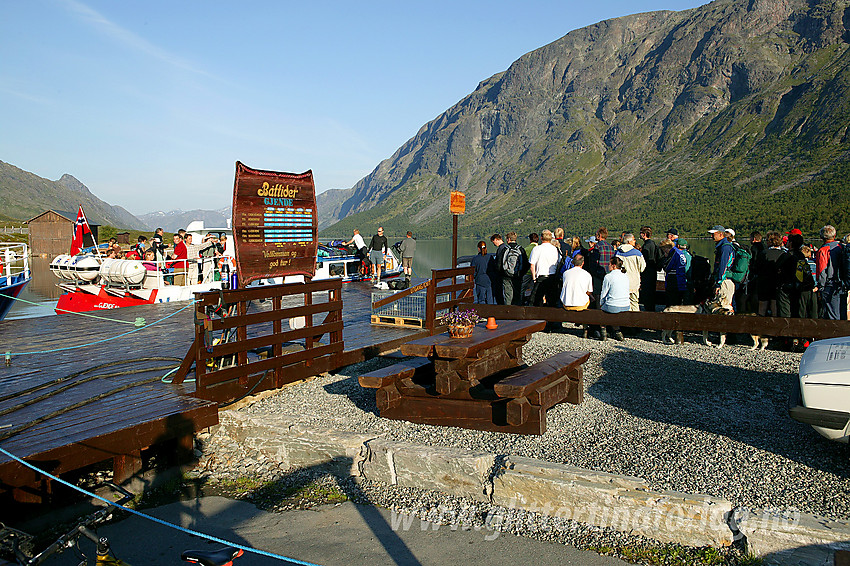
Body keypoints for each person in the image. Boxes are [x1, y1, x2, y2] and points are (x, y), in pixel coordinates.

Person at [816, 224, 846, 320]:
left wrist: (821, 287)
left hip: (829, 285)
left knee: (831, 314)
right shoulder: (842, 247)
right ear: (834, 235)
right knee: (842, 313)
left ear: (822, 237)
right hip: (842, 284)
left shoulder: (823, 250)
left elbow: (822, 270)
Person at [599, 256, 630, 341]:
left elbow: (603, 293)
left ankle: (603, 331)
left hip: (613, 306)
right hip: (626, 305)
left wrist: (601, 303)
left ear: (613, 266)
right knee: (611, 309)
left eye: (609, 264)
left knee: (602, 310)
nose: (608, 266)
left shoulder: (608, 276)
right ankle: (617, 331)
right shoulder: (625, 276)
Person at [528, 230, 560, 307]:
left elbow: (532, 265)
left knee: (535, 301)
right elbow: (558, 262)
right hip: (552, 277)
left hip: (540, 277)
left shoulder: (537, 249)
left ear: (541, 238)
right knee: (552, 301)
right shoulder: (555, 249)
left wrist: (534, 278)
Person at [614, 233, 645, 312]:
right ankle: (635, 321)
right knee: (634, 302)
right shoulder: (637, 253)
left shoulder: (617, 253)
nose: (635, 241)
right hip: (634, 282)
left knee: (622, 303)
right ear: (629, 241)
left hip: (621, 282)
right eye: (633, 239)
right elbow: (642, 268)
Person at [708, 225, 736, 311]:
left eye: (714, 234)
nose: (712, 236)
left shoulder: (725, 247)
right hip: (723, 280)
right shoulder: (723, 246)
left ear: (721, 234)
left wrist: (718, 283)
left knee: (724, 307)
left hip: (724, 281)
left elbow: (723, 266)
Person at [639, 226, 664, 313]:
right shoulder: (653, 244)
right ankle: (651, 311)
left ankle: (648, 312)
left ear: (644, 234)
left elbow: (644, 261)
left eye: (641, 233)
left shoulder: (646, 246)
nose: (640, 235)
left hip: (647, 272)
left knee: (647, 293)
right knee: (652, 293)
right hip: (653, 272)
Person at [500, 231, 529, 305]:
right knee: (517, 295)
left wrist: (503, 273)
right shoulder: (521, 249)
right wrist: (521, 273)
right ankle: (517, 312)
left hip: (506, 276)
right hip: (518, 276)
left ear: (508, 239)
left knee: (508, 296)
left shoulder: (505, 249)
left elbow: (499, 264)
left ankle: (508, 313)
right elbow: (526, 264)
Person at [665, 238, 692, 306]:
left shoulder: (676, 253)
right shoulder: (688, 255)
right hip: (684, 281)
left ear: (678, 245)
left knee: (673, 302)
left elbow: (668, 267)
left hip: (676, 280)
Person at [490, 234, 507, 305]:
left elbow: (499, 262)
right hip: (505, 273)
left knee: (498, 292)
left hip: (500, 274)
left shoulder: (500, 249)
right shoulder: (506, 247)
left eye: (493, 242)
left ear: (496, 240)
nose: (494, 244)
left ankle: (500, 305)